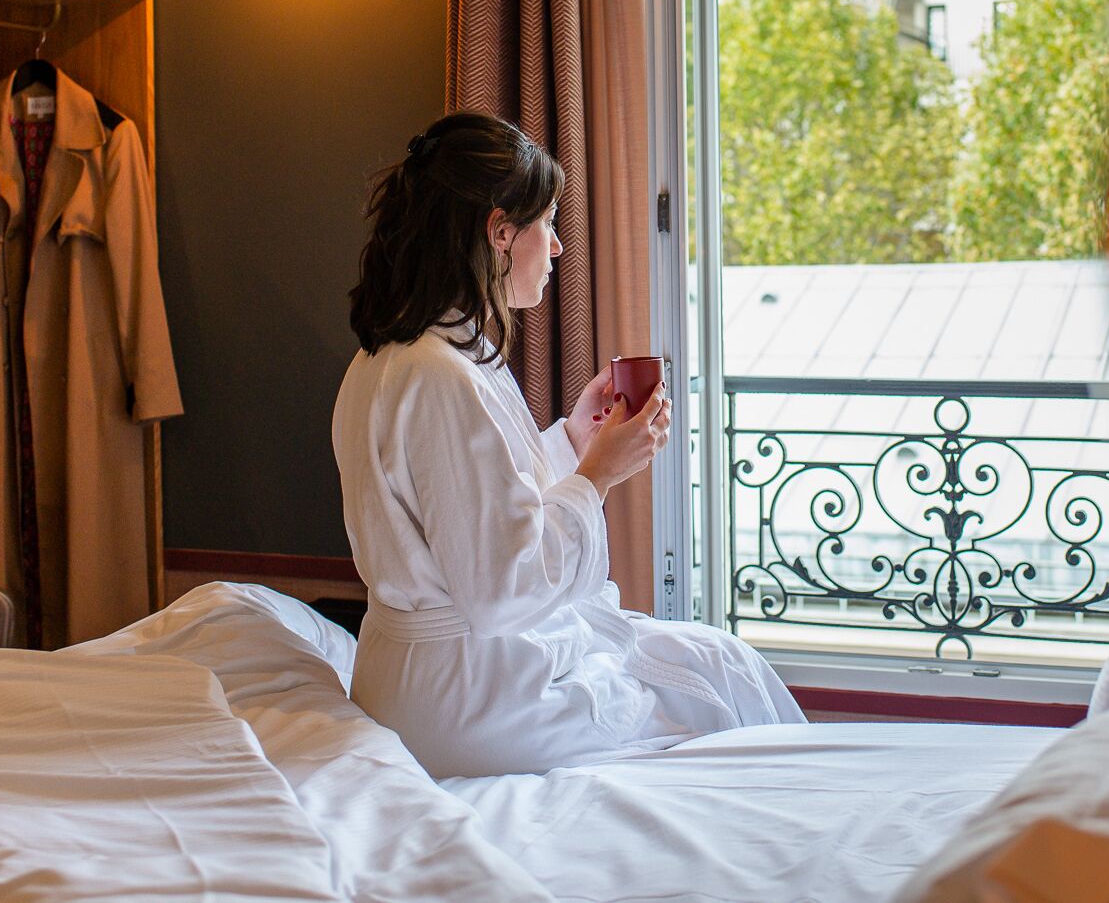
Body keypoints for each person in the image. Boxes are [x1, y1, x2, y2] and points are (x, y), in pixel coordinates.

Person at [333, 112, 804, 778]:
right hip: (471, 702)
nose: (556, 248)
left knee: (717, 661)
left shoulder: (399, 358)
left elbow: (464, 515)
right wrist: (597, 477)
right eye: (547, 224)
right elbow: (500, 590)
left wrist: (572, 443)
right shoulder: (440, 375)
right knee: (711, 695)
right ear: (500, 232)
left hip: (431, 679)